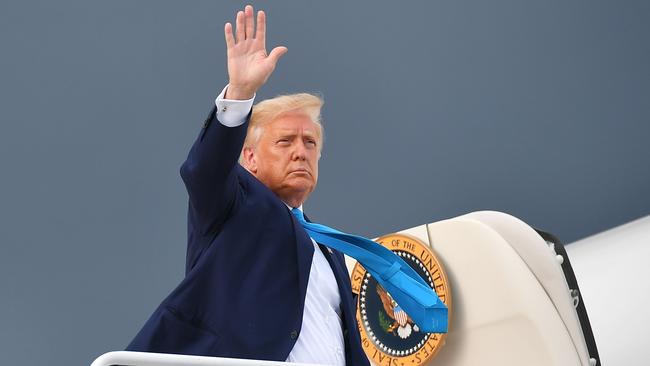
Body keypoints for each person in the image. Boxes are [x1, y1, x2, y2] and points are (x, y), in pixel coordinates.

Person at [126, 5, 370, 365]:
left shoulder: (329, 250)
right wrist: (239, 93)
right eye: (285, 141)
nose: (301, 153)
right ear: (250, 158)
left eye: (310, 143)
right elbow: (203, 171)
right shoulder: (233, 207)